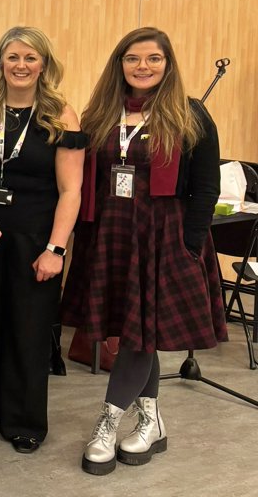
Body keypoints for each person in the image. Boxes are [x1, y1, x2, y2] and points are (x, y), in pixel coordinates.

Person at [62, 27, 226, 476]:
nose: (143, 67)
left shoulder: (191, 114)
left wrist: (190, 245)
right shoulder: (101, 114)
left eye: (154, 59)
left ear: (168, 65)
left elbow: (206, 187)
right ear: (120, 64)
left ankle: (109, 421)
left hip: (164, 236)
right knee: (138, 332)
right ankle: (151, 421)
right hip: (112, 233)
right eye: (133, 59)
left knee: (138, 334)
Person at [0, 27, 86, 453]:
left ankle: (23, 421)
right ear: (0, 62)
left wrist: (56, 249)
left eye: (30, 57)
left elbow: (71, 191)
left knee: (27, 328)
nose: (20, 65)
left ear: (44, 64)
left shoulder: (61, 114)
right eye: (12, 57)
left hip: (35, 238)